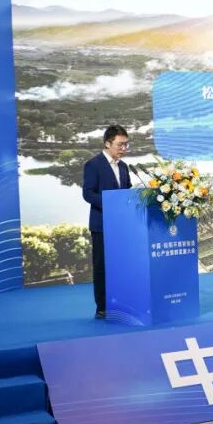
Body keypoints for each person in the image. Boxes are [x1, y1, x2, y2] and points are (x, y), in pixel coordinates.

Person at [82, 125, 132, 319]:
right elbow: (88, 193)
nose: (123, 148)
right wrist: (112, 203)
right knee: (102, 266)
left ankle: (122, 302)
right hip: (102, 224)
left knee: (122, 265)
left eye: (126, 144)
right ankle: (102, 307)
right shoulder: (93, 165)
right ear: (107, 143)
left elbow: (127, 190)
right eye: (120, 145)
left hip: (122, 225)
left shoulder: (124, 167)